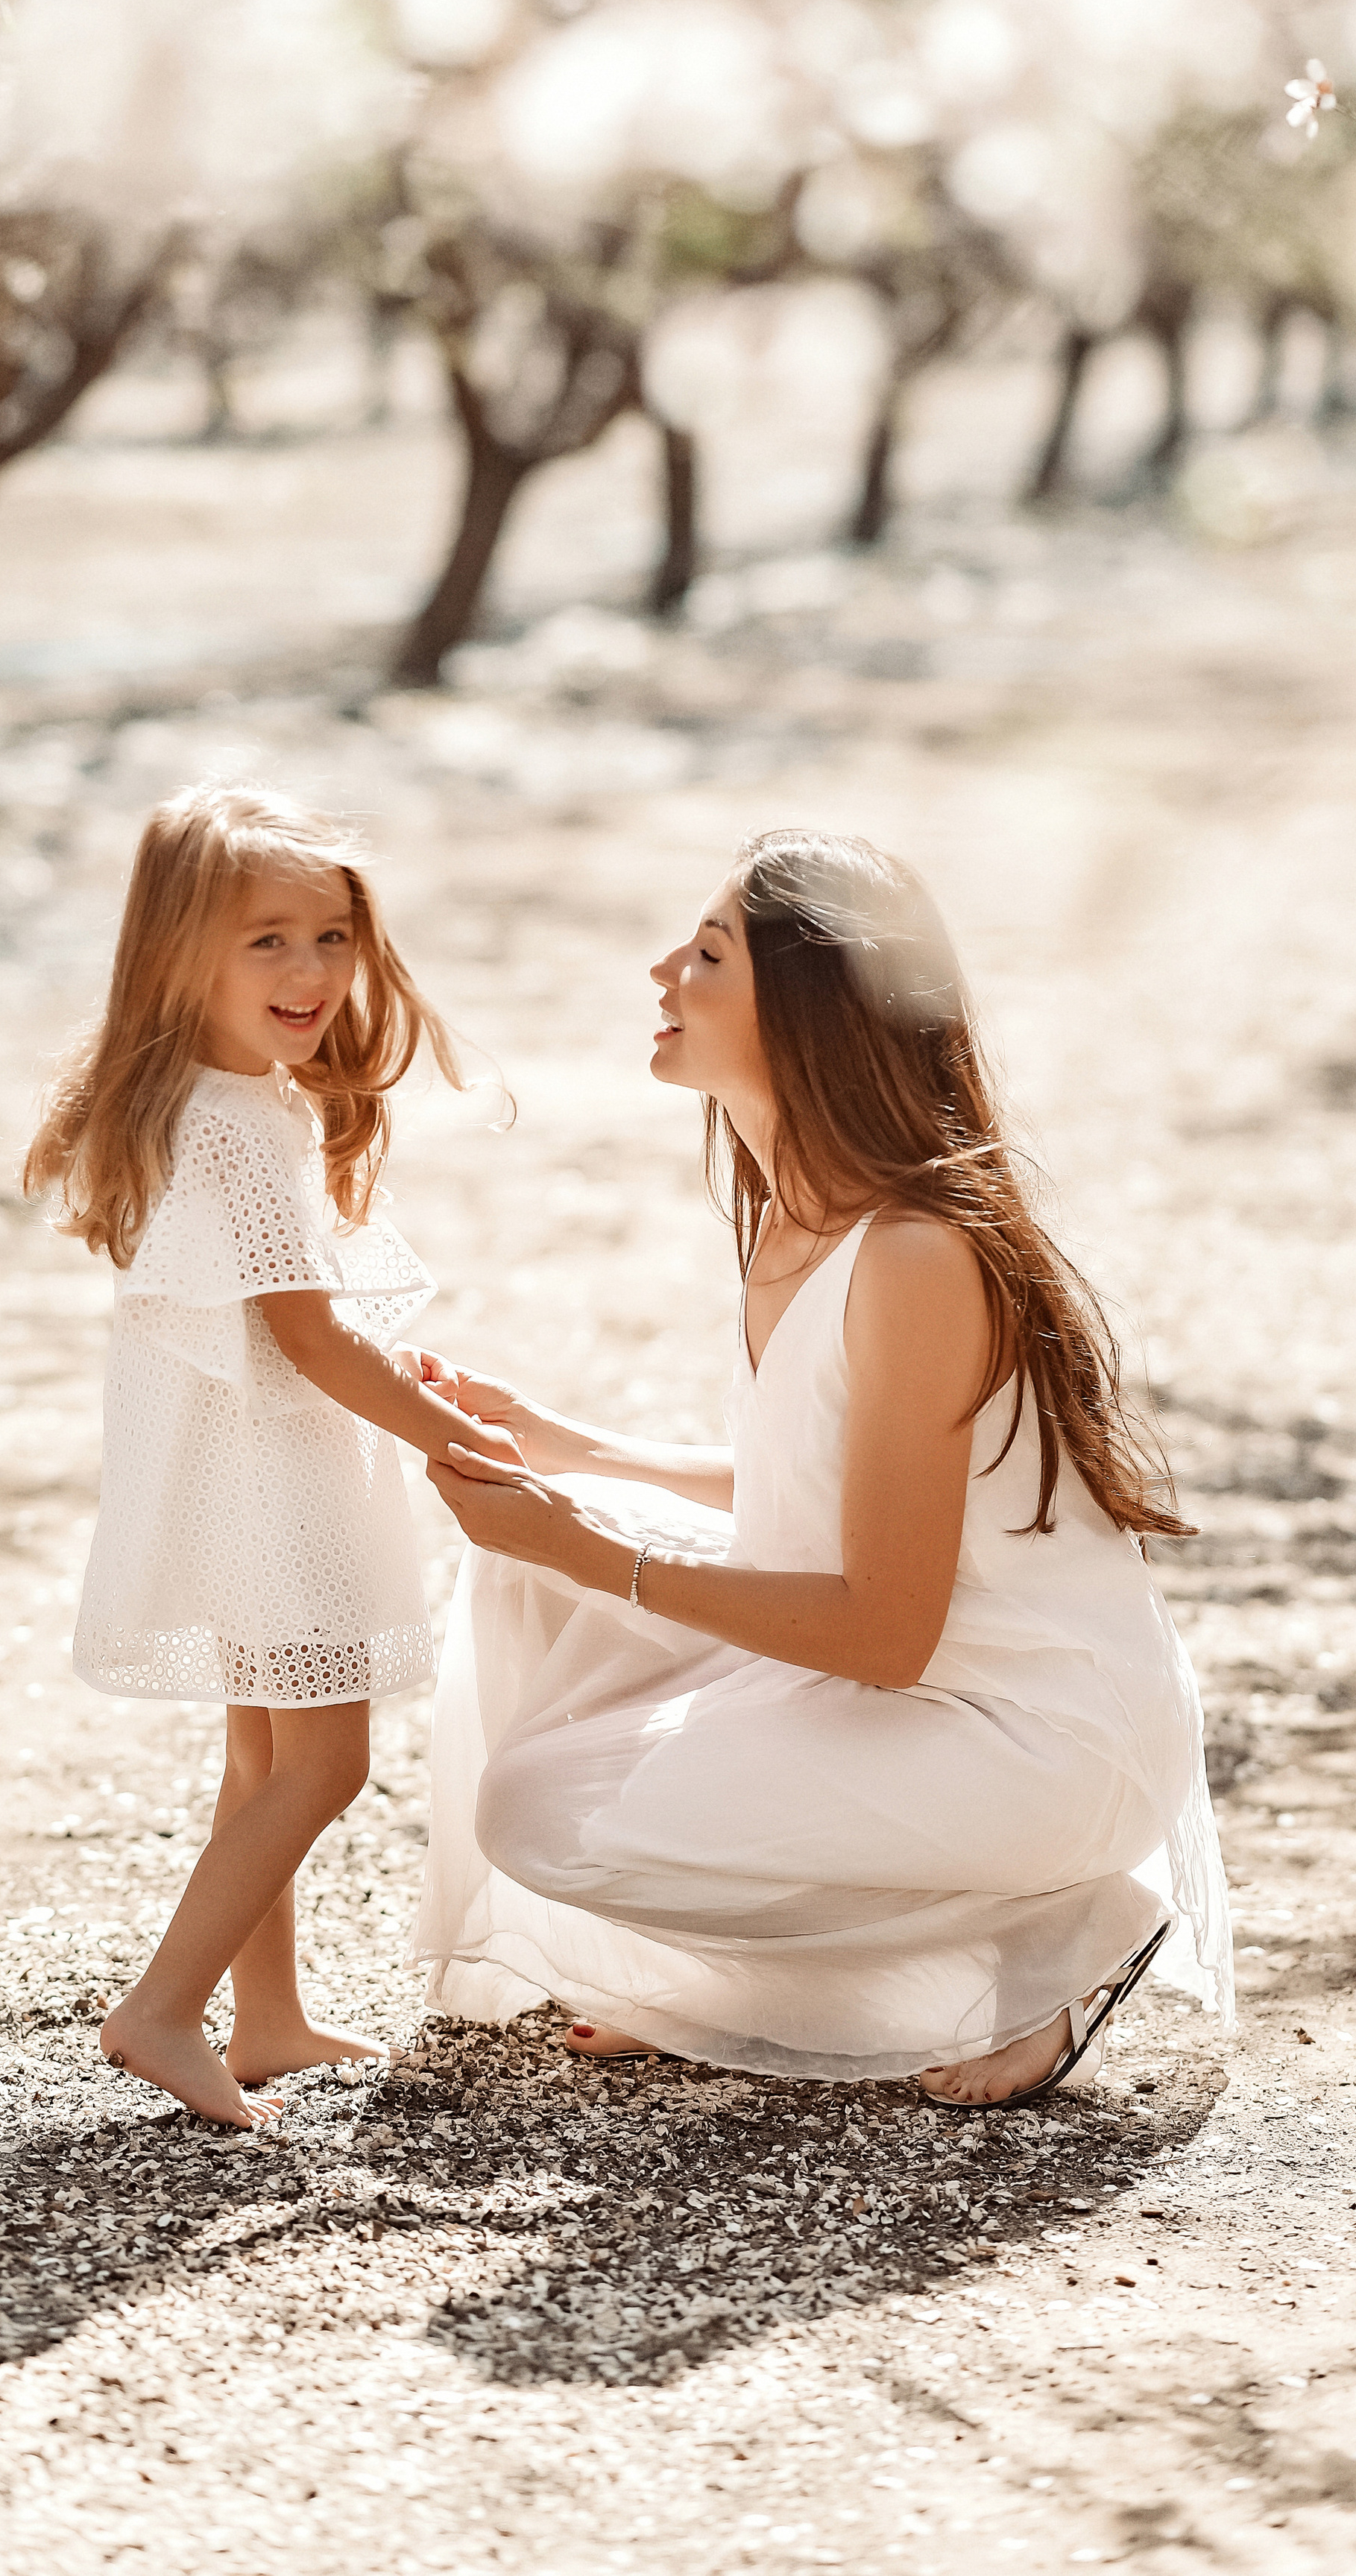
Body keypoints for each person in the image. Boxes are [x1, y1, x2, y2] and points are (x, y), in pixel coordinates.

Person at [417, 828, 1232, 2108]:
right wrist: (561, 1449)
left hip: (1030, 1742)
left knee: (538, 1812)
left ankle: (1057, 1936)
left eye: (704, 953)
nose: (659, 972)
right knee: (522, 1575)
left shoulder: (913, 1253)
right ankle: (737, 1982)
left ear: (809, 1009)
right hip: (921, 1696)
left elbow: (884, 1627)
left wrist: (586, 1545)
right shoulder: (800, 1214)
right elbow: (808, 1491)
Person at [24, 783, 517, 2132]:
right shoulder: (242, 1122)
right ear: (182, 950)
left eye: (333, 936)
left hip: (235, 1468)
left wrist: (391, 1379)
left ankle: (269, 2012)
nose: (312, 972)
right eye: (269, 941)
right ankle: (162, 2009)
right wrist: (454, 1438)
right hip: (278, 1482)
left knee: (261, 1749)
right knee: (323, 1764)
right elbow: (305, 1339)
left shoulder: (209, 1093)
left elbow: (289, 1321)